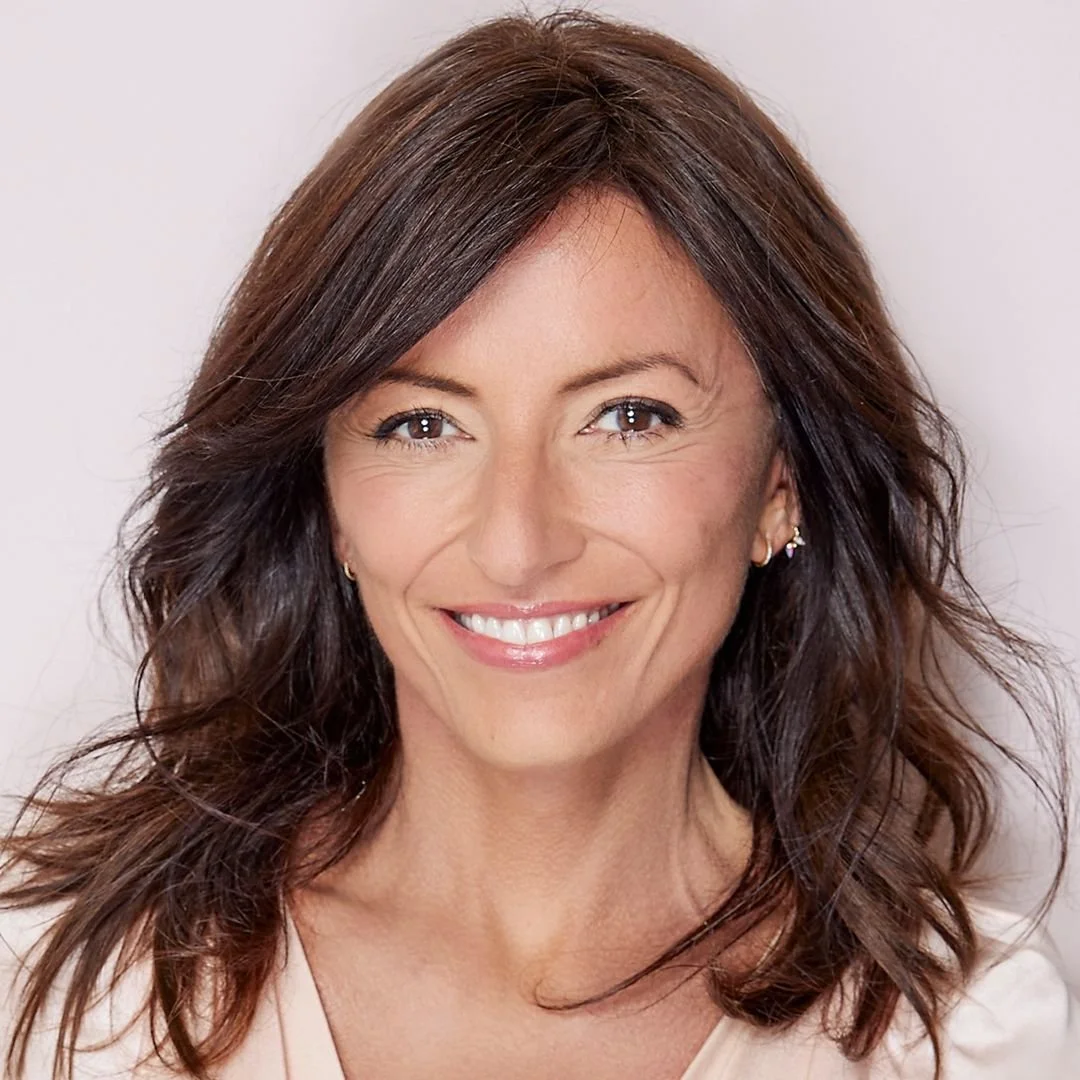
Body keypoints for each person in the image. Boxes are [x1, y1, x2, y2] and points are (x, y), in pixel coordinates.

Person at [1, 10, 1075, 1079]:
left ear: (779, 485)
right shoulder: (66, 994)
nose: (518, 542)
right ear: (328, 499)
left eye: (628, 418)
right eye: (422, 425)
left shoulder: (955, 1040)